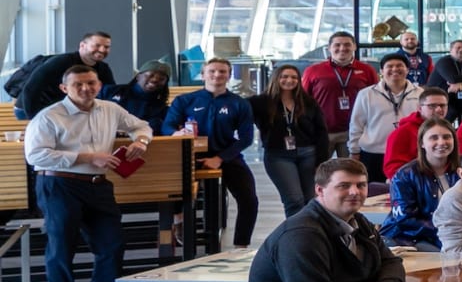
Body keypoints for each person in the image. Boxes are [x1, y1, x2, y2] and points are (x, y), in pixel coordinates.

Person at [23, 62, 150, 282]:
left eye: (91, 83)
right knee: (61, 247)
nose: (85, 88)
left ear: (99, 85)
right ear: (64, 88)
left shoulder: (110, 109)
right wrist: (88, 157)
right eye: (77, 84)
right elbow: (35, 155)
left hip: (98, 185)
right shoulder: (48, 116)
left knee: (112, 243)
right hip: (59, 184)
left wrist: (142, 141)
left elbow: (141, 125)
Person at [243, 159, 406, 282]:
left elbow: (391, 261)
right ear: (320, 190)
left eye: (361, 185)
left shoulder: (358, 221)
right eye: (344, 186)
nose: (354, 192)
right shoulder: (301, 235)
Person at [164, 56, 260, 247]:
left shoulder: (239, 104)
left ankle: (241, 245)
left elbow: (246, 138)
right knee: (174, 190)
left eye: (222, 71)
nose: (217, 75)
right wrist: (177, 133)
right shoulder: (185, 100)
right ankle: (179, 224)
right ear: (203, 75)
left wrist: (220, 158)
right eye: (212, 71)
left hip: (227, 156)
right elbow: (167, 126)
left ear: (229, 75)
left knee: (249, 199)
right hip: (190, 156)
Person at [254, 64, 331, 219]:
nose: (289, 80)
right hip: (278, 156)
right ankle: (296, 235)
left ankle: (311, 232)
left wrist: (321, 161)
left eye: (294, 77)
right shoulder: (261, 102)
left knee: (311, 200)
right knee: (294, 199)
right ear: (276, 79)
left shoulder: (308, 101)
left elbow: (321, 131)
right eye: (284, 77)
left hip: (308, 154)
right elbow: (238, 112)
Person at [381, 119, 458, 249]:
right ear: (422, 143)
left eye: (447, 137)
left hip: (452, 234)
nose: (441, 142)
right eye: (434, 138)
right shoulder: (404, 175)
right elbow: (405, 219)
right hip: (408, 237)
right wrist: (447, 229)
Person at [346, 54, 422, 182]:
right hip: (374, 153)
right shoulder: (366, 94)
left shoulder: (420, 93)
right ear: (381, 71)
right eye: (389, 66)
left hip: (408, 154)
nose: (395, 69)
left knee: (406, 193)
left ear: (407, 70)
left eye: (399, 66)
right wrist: (354, 151)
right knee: (373, 193)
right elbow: (356, 124)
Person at [302, 32, 378, 155]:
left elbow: (375, 99)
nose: (342, 48)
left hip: (354, 132)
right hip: (322, 131)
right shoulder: (313, 71)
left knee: (350, 171)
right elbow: (303, 100)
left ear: (354, 47)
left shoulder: (367, 70)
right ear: (329, 48)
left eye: (347, 45)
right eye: (337, 45)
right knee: (320, 171)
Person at [14, 31, 117, 115]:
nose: (102, 50)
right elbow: (31, 88)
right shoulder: (60, 62)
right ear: (82, 45)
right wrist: (34, 118)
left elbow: (112, 94)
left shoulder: (103, 69)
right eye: (97, 45)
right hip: (31, 108)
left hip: (62, 110)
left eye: (106, 47)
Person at [382, 87, 450, 172]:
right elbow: (392, 169)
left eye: (442, 105)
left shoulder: (447, 130)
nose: (439, 109)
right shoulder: (402, 133)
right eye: (432, 106)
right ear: (419, 108)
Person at [103, 60, 171, 126]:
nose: (155, 80)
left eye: (161, 79)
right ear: (138, 76)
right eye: (151, 75)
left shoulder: (162, 109)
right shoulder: (110, 91)